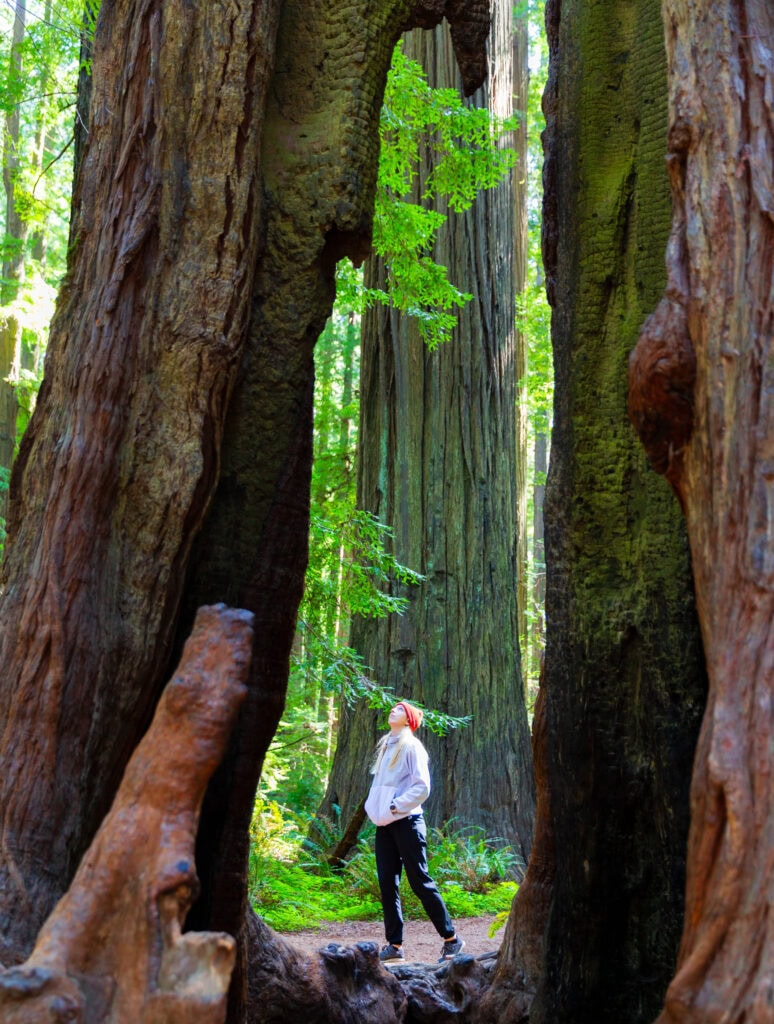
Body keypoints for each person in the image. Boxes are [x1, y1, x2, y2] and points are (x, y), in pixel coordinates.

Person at [364, 699, 465, 965]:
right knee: (387, 883)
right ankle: (394, 945)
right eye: (392, 708)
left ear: (408, 719)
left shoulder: (412, 746)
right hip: (385, 824)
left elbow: (422, 787)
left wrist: (395, 806)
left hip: (407, 822)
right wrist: (378, 810)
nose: (392, 710)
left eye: (398, 709)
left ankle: (452, 940)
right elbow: (381, 786)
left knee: (420, 881)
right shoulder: (386, 745)